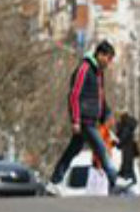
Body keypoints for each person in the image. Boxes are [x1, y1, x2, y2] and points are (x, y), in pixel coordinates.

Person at [47, 40, 123, 195]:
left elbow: (99, 97)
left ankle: (54, 182)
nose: (109, 63)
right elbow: (74, 95)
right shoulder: (85, 68)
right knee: (101, 149)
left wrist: (106, 114)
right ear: (100, 54)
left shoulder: (98, 72)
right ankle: (115, 178)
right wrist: (75, 120)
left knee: (72, 151)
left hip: (91, 119)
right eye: (108, 58)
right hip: (84, 120)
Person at [116, 111, 140, 184]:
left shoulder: (126, 125)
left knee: (127, 165)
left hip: (127, 148)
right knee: (130, 166)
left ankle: (130, 181)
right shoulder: (128, 124)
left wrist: (118, 144)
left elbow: (123, 136)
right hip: (130, 148)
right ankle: (133, 181)